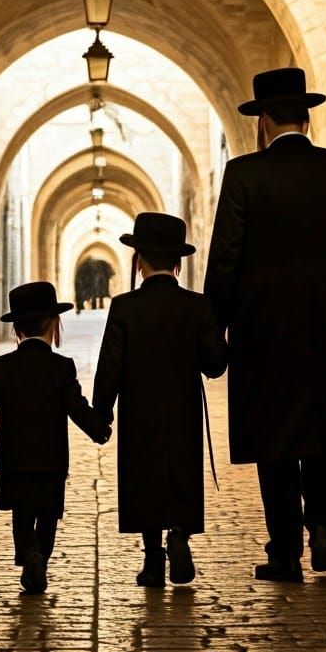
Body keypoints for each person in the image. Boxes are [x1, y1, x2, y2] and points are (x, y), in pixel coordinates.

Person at [204, 68, 326, 583]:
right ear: (306, 117)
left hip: (263, 332)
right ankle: (322, 528)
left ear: (263, 122)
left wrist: (215, 326)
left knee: (274, 441)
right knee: (324, 432)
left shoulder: (243, 175)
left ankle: (284, 551)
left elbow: (226, 258)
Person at [92, 213, 228, 588]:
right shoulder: (197, 306)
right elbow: (215, 365)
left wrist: (101, 413)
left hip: (139, 410)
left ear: (139, 260)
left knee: (144, 476)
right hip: (183, 408)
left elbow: (110, 366)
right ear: (178, 263)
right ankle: (180, 535)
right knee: (182, 467)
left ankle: (153, 560)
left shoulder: (124, 307)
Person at [0, 282, 110, 594]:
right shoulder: (62, 367)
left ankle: (29, 554)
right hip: (51, 461)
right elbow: (76, 407)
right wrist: (99, 427)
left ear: (16, 328)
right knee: (48, 517)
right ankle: (40, 558)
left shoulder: (2, 366)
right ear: (55, 324)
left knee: (22, 517)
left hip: (14, 462)